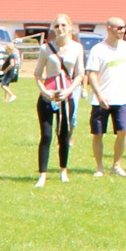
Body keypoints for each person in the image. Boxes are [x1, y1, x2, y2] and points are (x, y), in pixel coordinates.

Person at [34, 14, 84, 186]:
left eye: (63, 25)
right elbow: (38, 74)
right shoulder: (45, 48)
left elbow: (80, 74)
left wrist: (69, 91)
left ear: (70, 27)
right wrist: (44, 91)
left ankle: (63, 170)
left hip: (66, 97)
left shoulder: (77, 48)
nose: (60, 29)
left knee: (63, 135)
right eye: (56, 26)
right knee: (46, 136)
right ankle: (42, 175)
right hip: (48, 97)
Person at [85, 16, 126, 177]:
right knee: (98, 133)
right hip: (101, 100)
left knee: (123, 131)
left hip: (120, 98)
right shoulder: (98, 49)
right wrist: (99, 94)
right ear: (109, 28)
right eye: (118, 28)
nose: (122, 31)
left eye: (123, 28)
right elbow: (92, 74)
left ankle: (117, 164)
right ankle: (99, 167)